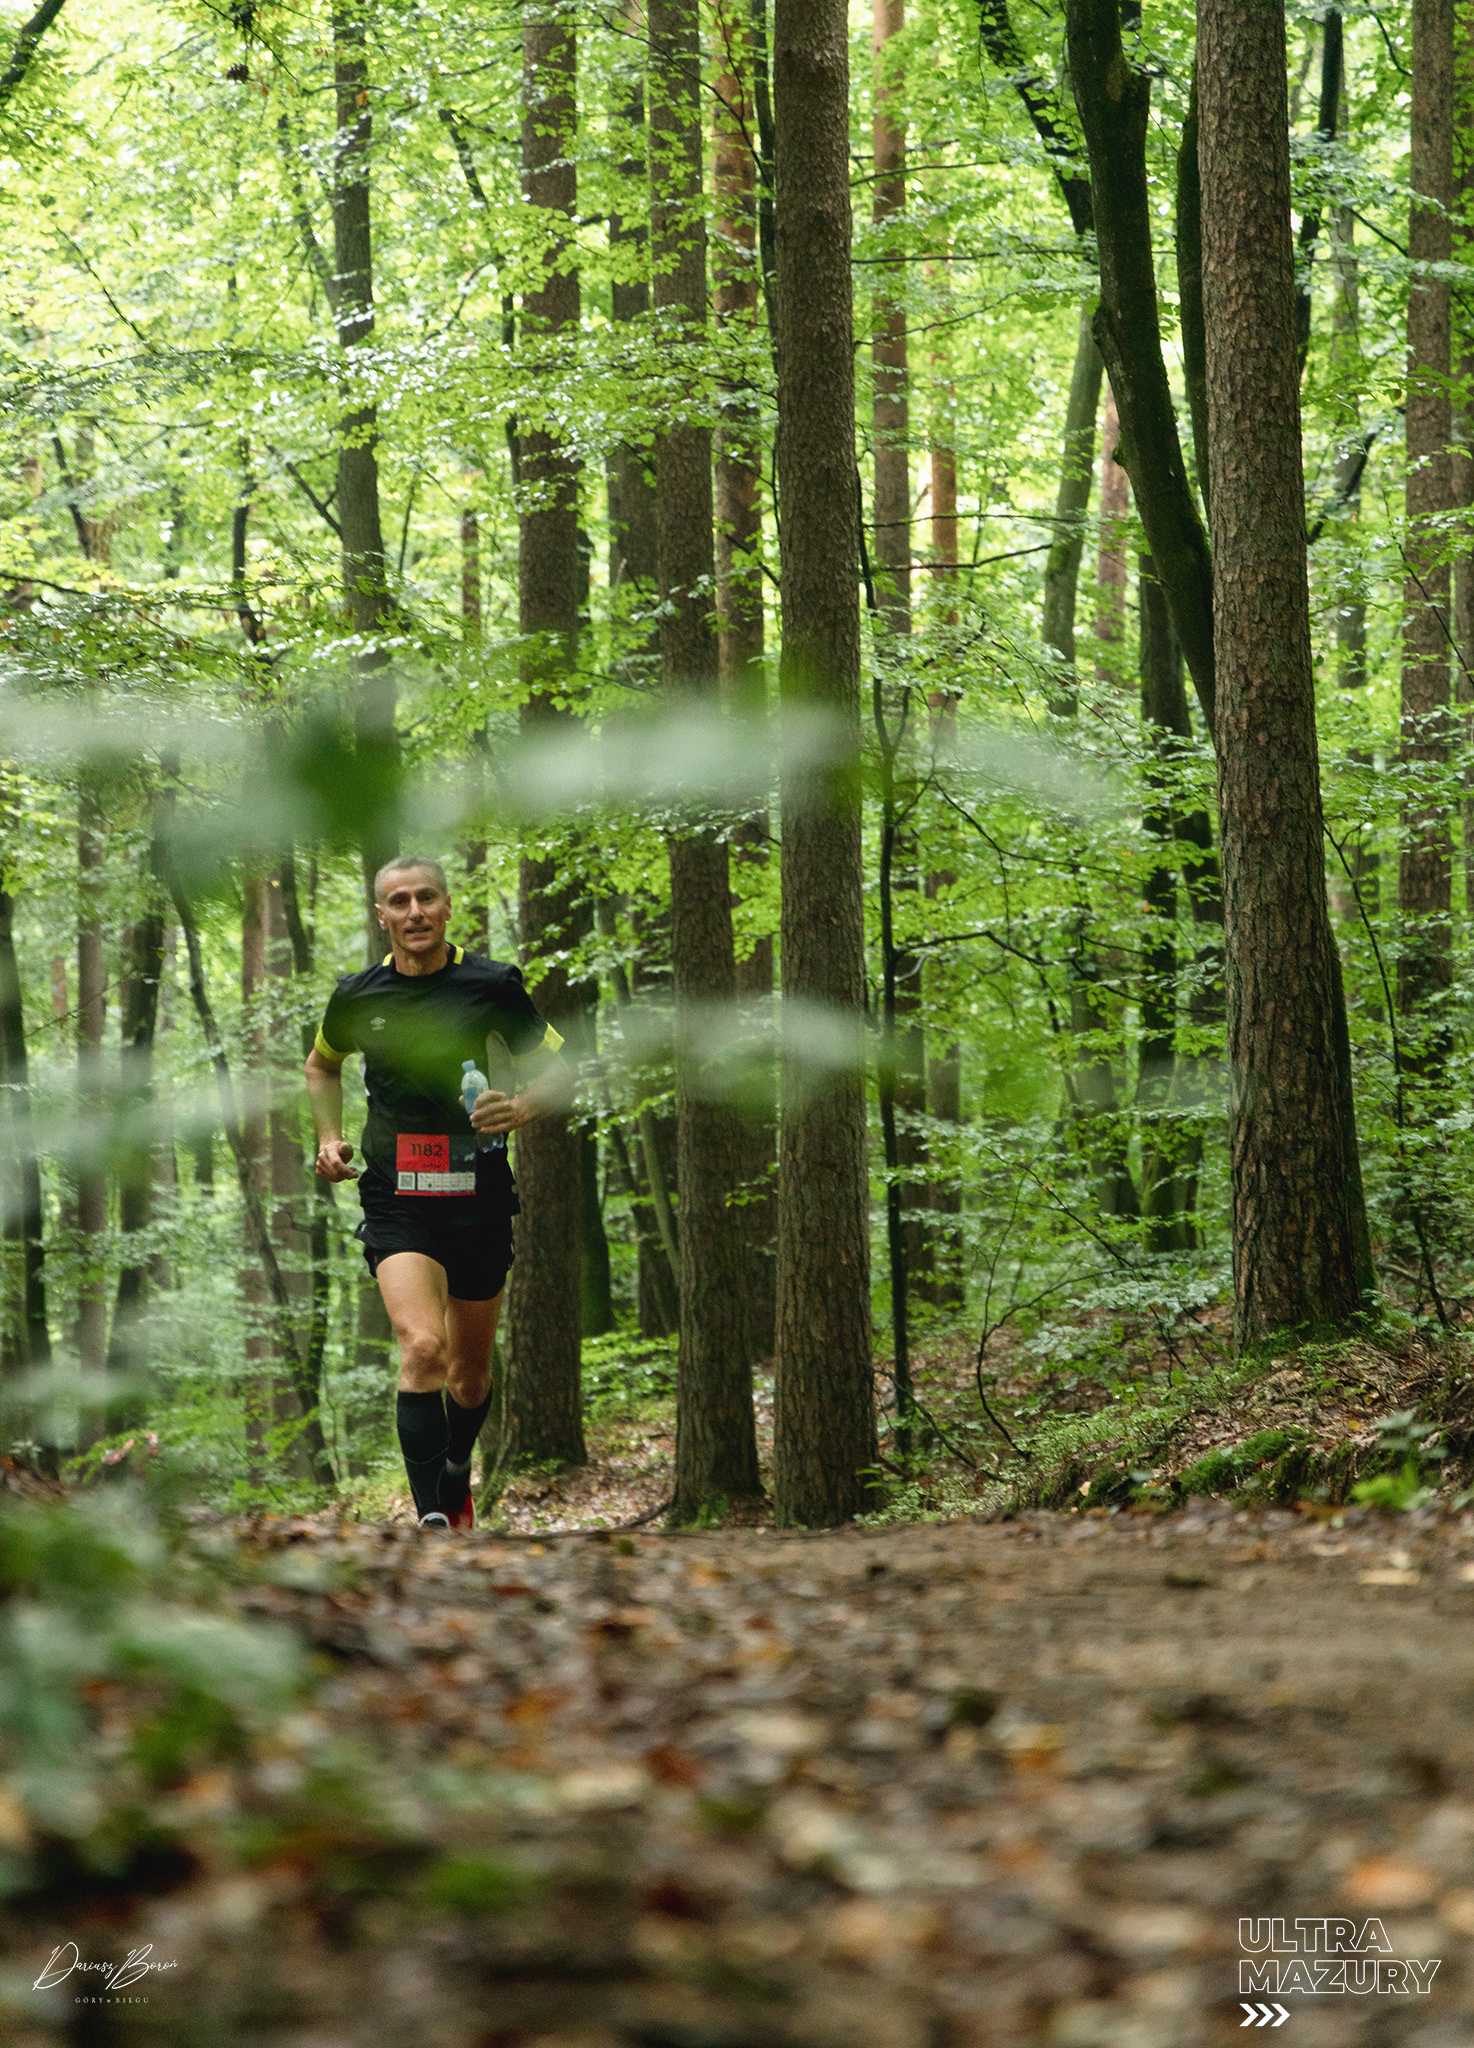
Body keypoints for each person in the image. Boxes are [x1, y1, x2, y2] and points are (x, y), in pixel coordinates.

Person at [304, 856, 573, 1529]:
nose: (415, 911)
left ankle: (456, 1470)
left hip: (479, 1195)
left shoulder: (493, 984)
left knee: (469, 1377)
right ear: (382, 916)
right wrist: (330, 1137)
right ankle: (432, 1523)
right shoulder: (358, 995)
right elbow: (320, 1066)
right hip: (396, 1196)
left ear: (448, 906)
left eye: (426, 897)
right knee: (423, 1348)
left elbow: (561, 1070)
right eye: (399, 901)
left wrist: (523, 1107)